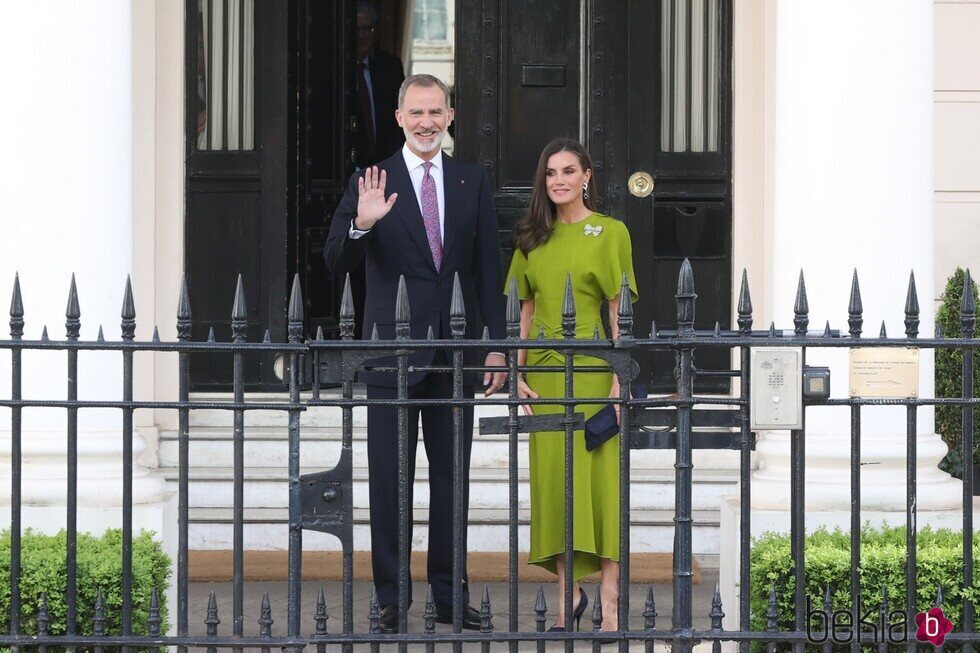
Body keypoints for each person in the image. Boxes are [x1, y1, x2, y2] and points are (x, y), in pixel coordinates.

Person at [323, 73, 507, 633]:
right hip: (390, 358)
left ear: (450, 116)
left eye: (436, 112)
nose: (426, 122)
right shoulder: (370, 178)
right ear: (400, 118)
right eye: (416, 113)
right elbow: (334, 261)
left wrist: (496, 349)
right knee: (390, 483)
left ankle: (451, 599)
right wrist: (361, 223)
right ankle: (390, 602)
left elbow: (486, 272)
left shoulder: (472, 181)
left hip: (455, 359)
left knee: (452, 483)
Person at [505, 138, 637, 632]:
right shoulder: (530, 237)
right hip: (542, 375)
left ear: (586, 177)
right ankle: (568, 595)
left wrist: (619, 382)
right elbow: (525, 309)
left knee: (602, 487)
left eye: (568, 171)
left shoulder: (611, 232)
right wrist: (518, 373)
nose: (558, 180)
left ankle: (610, 598)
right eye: (550, 173)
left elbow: (616, 309)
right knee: (554, 486)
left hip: (593, 369)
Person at [354, 0, 406, 167]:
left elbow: (400, 118)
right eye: (357, 29)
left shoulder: (391, 67)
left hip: (385, 165)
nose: (362, 35)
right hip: (345, 170)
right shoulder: (335, 69)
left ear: (375, 30)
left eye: (367, 29)